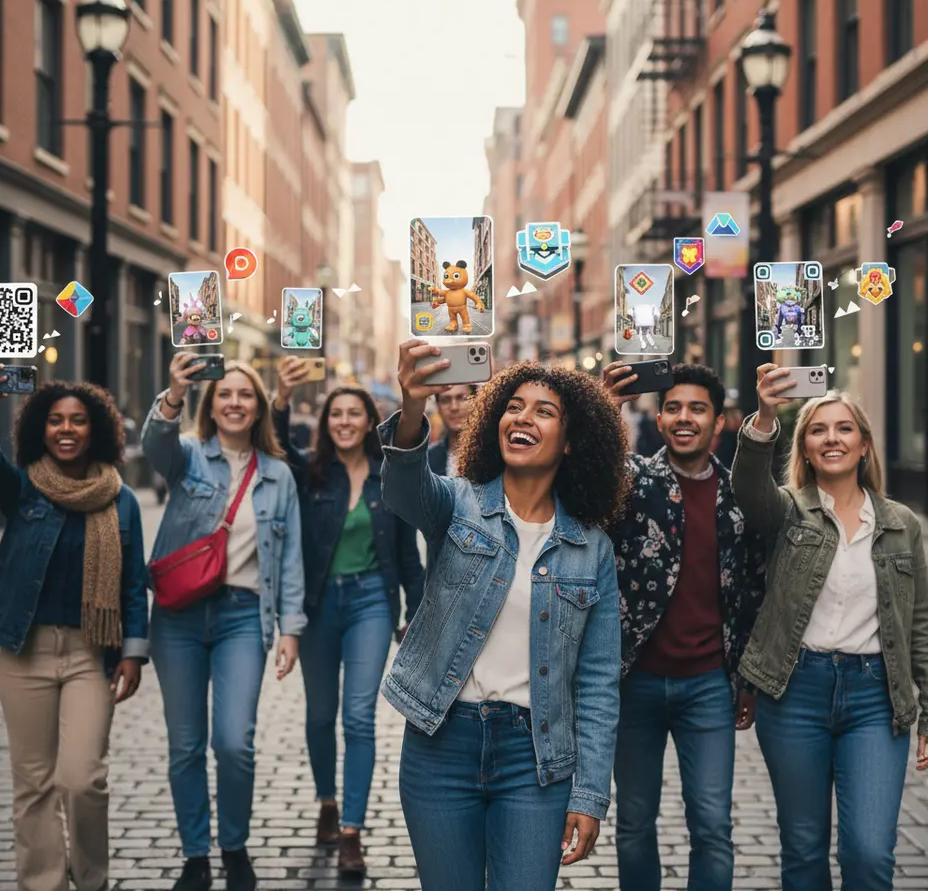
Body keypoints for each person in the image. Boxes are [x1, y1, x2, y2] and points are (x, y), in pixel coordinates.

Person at [378, 339, 629, 891]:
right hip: (442, 744)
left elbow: (598, 682)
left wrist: (589, 794)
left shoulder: (592, 549)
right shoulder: (459, 503)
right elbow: (403, 490)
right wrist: (414, 404)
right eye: (513, 406)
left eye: (545, 411)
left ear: (570, 442)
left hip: (534, 755)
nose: (523, 417)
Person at [731, 366, 928, 891]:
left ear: (864, 444)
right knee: (803, 849)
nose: (832, 438)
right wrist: (767, 415)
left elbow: (920, 623)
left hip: (875, 697)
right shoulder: (787, 512)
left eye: (844, 428)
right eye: (818, 430)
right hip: (795, 693)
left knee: (868, 854)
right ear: (806, 447)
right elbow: (747, 489)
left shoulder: (901, 524)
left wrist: (927, 710)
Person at [0, 361, 148, 891]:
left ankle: (91, 879)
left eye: (77, 421)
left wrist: (133, 653)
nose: (65, 429)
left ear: (96, 428)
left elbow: (134, 584)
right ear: (39, 429)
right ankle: (43, 883)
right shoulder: (24, 490)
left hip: (90, 653)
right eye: (54, 421)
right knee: (34, 784)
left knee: (82, 778)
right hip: (24, 653)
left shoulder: (122, 500)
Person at [142, 353, 306, 891]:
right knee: (185, 744)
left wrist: (289, 628)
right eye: (225, 394)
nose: (234, 403)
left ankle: (233, 845)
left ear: (258, 406)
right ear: (210, 405)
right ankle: (195, 854)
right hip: (178, 619)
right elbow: (153, 447)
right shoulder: (187, 456)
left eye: (245, 395)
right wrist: (172, 393)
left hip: (242, 617)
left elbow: (289, 559)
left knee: (235, 742)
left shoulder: (278, 474)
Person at [602, 360, 766, 891]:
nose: (684, 418)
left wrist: (747, 678)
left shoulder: (739, 494)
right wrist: (607, 405)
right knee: (632, 825)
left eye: (698, 408)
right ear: (660, 416)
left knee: (713, 826)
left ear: (719, 422)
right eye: (673, 407)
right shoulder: (632, 482)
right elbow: (584, 475)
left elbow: (755, 588)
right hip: (636, 683)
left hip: (709, 687)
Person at [272, 356, 424, 876]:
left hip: (370, 604)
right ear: (325, 422)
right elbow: (272, 444)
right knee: (320, 716)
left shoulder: (391, 479)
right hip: (318, 607)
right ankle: (326, 801)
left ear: (367, 421)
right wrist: (281, 399)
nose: (343, 422)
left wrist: (415, 614)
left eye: (353, 414)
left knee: (359, 716)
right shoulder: (309, 471)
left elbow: (407, 555)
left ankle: (352, 832)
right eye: (335, 414)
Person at [428, 384, 477, 476]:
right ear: (438, 407)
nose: (454, 407)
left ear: (476, 401)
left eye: (462, 398)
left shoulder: (494, 454)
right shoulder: (427, 459)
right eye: (445, 400)